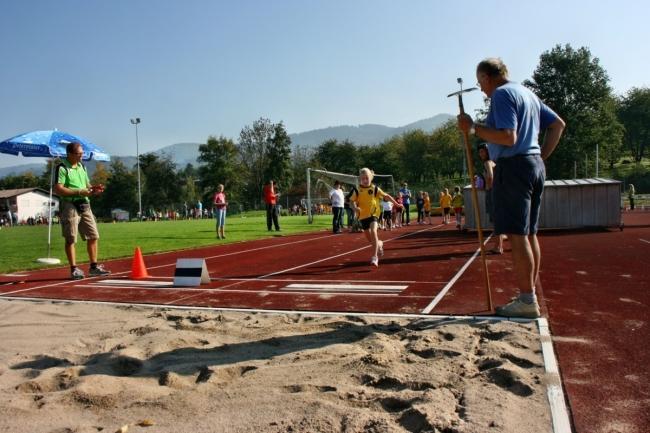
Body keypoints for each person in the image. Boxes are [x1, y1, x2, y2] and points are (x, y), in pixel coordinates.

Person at [458, 57, 565, 318]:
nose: (481, 89)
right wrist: (540, 156)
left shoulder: (502, 94)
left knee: (518, 235)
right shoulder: (527, 93)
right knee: (529, 234)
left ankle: (527, 299)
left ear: (486, 77)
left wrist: (473, 129)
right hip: (533, 164)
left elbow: (508, 136)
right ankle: (528, 295)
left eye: (480, 82)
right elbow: (558, 124)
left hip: (515, 166)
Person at [54, 142, 111, 280]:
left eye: (82, 154)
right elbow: (59, 189)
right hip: (69, 204)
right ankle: (74, 269)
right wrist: (79, 191)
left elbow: (87, 186)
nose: (81, 156)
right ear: (70, 154)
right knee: (71, 238)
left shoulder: (82, 166)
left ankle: (94, 267)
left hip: (85, 204)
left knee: (94, 235)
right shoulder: (62, 168)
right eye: (79, 154)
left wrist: (94, 189)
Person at [349, 168, 403, 267]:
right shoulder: (357, 190)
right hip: (362, 216)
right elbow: (351, 201)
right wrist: (355, 208)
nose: (365, 180)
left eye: (367, 178)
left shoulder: (375, 189)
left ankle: (374, 257)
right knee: (371, 240)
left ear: (371, 178)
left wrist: (396, 204)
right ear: (360, 179)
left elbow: (386, 196)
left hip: (374, 214)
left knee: (374, 231)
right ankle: (380, 244)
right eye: (363, 178)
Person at [478, 143, 505, 254]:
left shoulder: (488, 163)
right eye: (479, 152)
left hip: (492, 193)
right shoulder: (495, 162)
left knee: (495, 221)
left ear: (488, 151)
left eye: (483, 151)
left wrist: (488, 186)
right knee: (498, 220)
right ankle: (500, 245)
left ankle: (498, 247)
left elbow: (490, 176)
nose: (481, 154)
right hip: (497, 192)